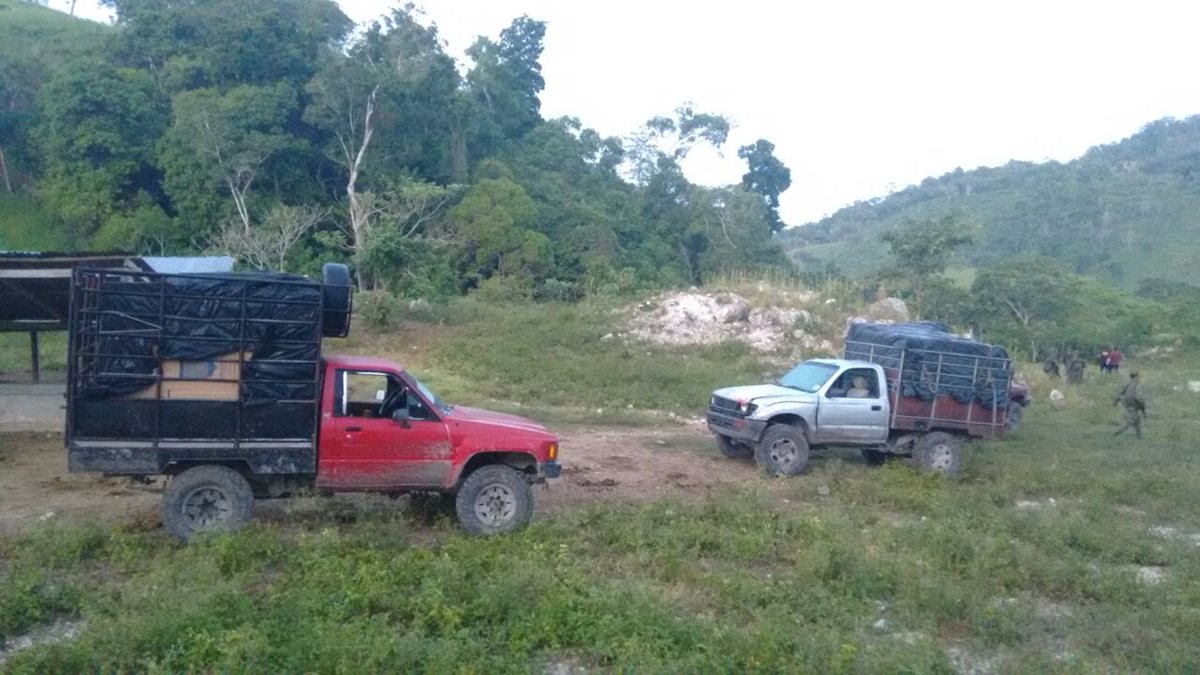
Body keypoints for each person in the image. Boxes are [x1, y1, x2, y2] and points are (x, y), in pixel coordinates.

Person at [1113, 371, 1146, 438]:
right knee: (1130, 421)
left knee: (1138, 420)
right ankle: (1115, 434)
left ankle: (1139, 437)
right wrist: (1143, 407)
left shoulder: (1128, 384)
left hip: (1127, 404)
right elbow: (1139, 397)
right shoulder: (1137, 385)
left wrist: (1115, 402)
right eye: (1138, 376)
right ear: (1136, 377)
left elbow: (1119, 393)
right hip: (1133, 405)